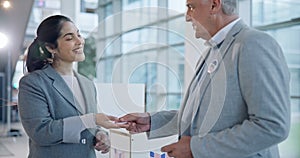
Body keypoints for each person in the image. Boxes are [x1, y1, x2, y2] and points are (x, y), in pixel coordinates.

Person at [119, 0, 291, 157]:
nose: (187, 17)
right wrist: (152, 122)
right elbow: (205, 116)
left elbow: (272, 126)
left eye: (191, 7)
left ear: (214, 5)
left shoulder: (253, 44)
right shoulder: (213, 51)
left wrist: (195, 148)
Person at [18, 15, 124, 158]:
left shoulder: (87, 84)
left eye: (79, 35)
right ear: (51, 47)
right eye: (69, 38)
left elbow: (87, 124)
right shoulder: (33, 83)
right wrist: (91, 120)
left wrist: (100, 135)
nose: (79, 41)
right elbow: (40, 132)